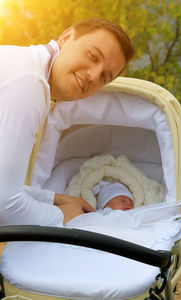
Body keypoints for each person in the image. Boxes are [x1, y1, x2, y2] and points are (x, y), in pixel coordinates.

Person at [0, 18, 134, 226]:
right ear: (66, 37)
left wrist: (55, 199)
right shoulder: (30, 85)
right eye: (92, 56)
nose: (93, 75)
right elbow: (4, 206)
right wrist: (65, 216)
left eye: (105, 78)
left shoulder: (25, 65)